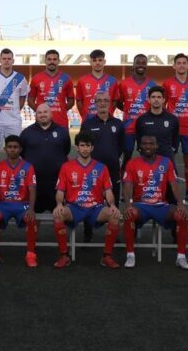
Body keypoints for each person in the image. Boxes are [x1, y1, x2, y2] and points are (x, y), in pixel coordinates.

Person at [51, 131, 121, 269]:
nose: (85, 148)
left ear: (92, 148)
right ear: (76, 147)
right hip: (74, 207)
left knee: (114, 216)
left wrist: (112, 204)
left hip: (96, 208)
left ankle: (107, 256)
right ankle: (64, 255)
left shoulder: (101, 167)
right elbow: (60, 191)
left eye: (88, 145)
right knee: (58, 214)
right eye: (82, 145)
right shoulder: (67, 167)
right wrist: (59, 204)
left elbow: (108, 191)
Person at [122, 135, 188, 270]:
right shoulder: (132, 163)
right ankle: (130, 254)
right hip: (141, 205)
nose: (147, 146)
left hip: (161, 205)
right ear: (140, 146)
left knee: (182, 215)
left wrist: (180, 204)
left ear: (156, 146)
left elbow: (174, 184)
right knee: (129, 214)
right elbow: (128, 185)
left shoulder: (166, 162)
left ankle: (181, 257)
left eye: (151, 144)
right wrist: (128, 205)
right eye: (144, 144)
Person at [79, 90, 125, 243]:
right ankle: (87, 233)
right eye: (99, 100)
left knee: (114, 201)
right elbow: (82, 145)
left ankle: (113, 232)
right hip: (92, 171)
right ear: (95, 103)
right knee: (90, 200)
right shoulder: (87, 123)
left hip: (112, 170)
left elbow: (121, 146)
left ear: (111, 103)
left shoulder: (118, 124)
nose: (103, 103)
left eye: (105, 100)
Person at [0, 135, 38, 267]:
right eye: (10, 147)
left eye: (15, 147)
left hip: (22, 205)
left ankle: (31, 255)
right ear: (5, 149)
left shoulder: (28, 166)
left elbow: (32, 189)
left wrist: (31, 209)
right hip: (3, 204)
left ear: (20, 149)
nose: (12, 149)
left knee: (31, 218)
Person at [163, 53, 188, 203]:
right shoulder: (167, 84)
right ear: (174, 66)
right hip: (172, 129)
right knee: (169, 160)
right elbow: (163, 103)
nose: (181, 65)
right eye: (178, 63)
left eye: (183, 63)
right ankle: (169, 192)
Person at [20, 103, 70, 214]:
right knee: (33, 216)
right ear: (36, 115)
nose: (42, 115)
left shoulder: (62, 132)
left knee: (59, 215)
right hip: (35, 184)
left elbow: (66, 150)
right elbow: (22, 154)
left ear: (51, 114)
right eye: (39, 112)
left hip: (56, 184)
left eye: (45, 112)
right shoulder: (26, 133)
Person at [117, 53, 158, 170]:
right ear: (133, 65)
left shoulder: (152, 84)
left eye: (143, 63)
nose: (141, 65)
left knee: (147, 157)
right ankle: (124, 181)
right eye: (138, 63)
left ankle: (145, 181)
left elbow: (155, 104)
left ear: (147, 66)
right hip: (128, 127)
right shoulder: (124, 83)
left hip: (146, 127)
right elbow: (119, 102)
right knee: (127, 156)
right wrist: (127, 111)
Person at [0, 48, 29, 143]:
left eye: (9, 58)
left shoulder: (21, 78)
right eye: (4, 58)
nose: (6, 61)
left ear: (13, 60)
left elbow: (22, 99)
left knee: (15, 150)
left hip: (14, 122)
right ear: (0, 60)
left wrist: (14, 111)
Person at [28, 49, 74, 128]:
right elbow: (30, 100)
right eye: (49, 59)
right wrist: (40, 111)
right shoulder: (36, 78)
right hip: (41, 123)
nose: (52, 62)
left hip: (61, 123)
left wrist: (62, 109)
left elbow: (71, 101)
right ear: (45, 61)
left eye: (54, 59)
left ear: (58, 61)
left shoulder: (66, 78)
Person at [135, 86, 180, 164]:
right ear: (149, 100)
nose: (156, 99)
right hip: (148, 161)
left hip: (167, 160)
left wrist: (170, 152)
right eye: (153, 97)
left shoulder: (172, 119)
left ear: (163, 100)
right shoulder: (141, 120)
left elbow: (176, 140)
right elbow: (139, 140)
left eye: (159, 97)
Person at [75, 49, 118, 121]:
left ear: (104, 62)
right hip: (88, 121)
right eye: (94, 60)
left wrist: (109, 112)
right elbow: (79, 101)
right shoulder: (82, 80)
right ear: (90, 62)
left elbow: (115, 100)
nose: (97, 63)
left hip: (106, 121)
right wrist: (84, 115)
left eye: (100, 60)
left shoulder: (112, 80)